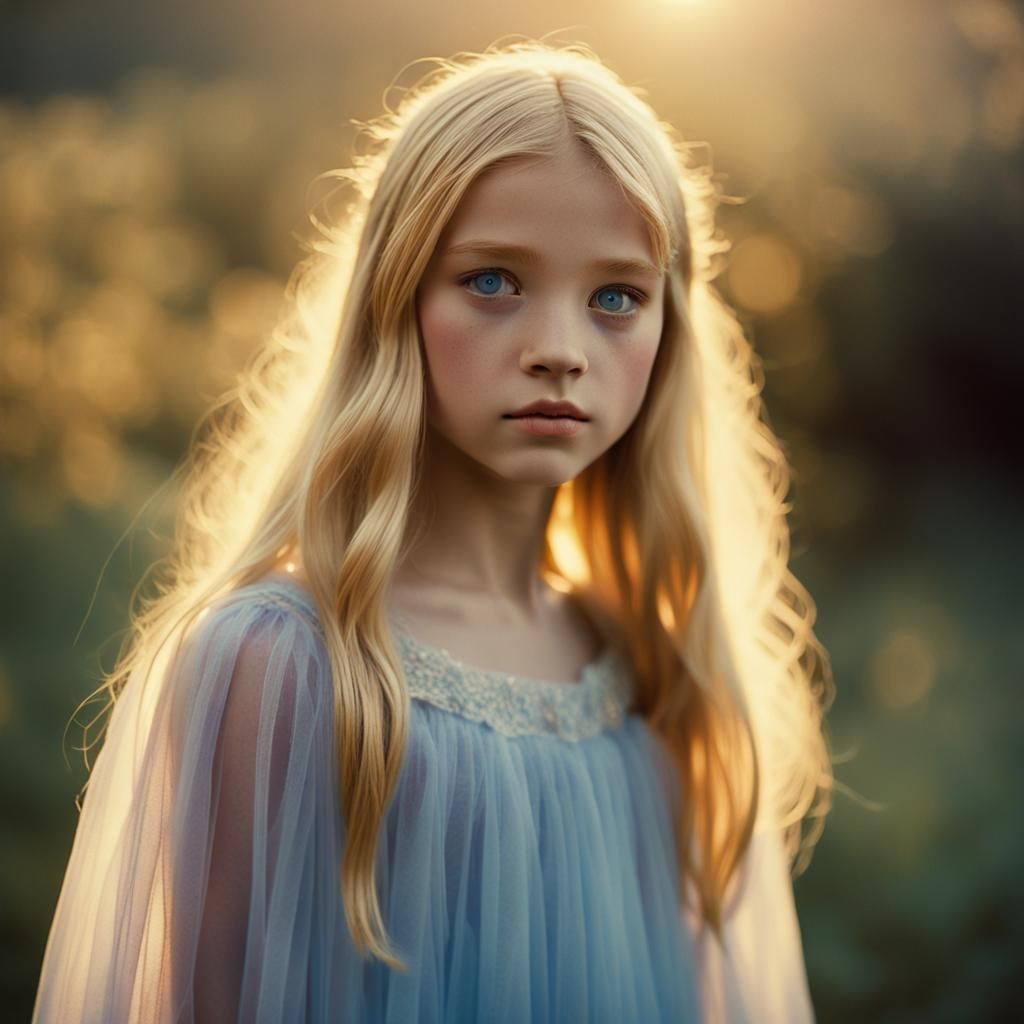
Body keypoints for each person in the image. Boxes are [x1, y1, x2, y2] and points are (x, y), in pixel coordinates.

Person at [32, 40, 834, 1022]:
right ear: (395, 298)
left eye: (615, 297)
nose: (558, 352)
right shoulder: (281, 661)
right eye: (493, 281)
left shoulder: (661, 672)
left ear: (669, 330)